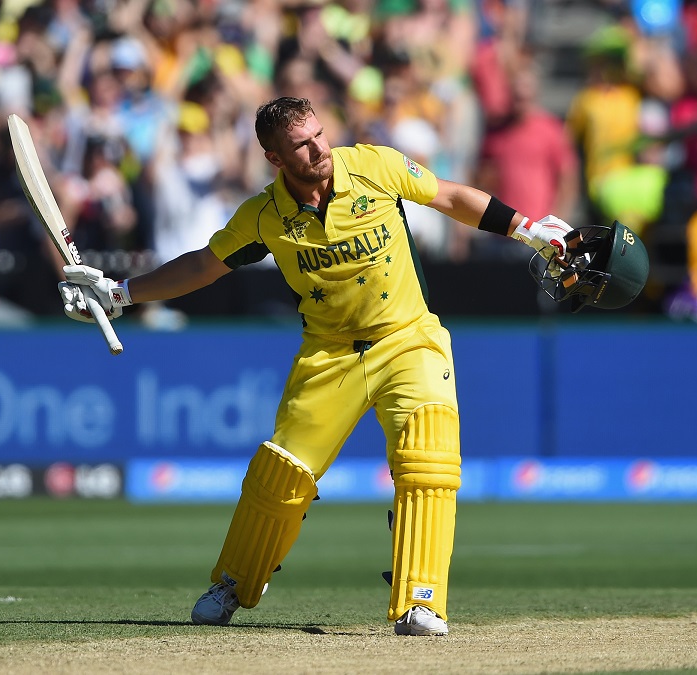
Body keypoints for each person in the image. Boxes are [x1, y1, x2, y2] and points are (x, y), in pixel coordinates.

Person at [57, 97, 575, 636]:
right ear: (274, 158)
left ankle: (422, 600)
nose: (319, 149)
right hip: (328, 354)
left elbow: (448, 195)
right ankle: (234, 582)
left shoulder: (374, 166)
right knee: (282, 474)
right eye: (302, 145)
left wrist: (527, 229)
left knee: (428, 457)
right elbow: (205, 266)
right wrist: (122, 293)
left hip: (409, 339)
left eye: (320, 135)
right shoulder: (264, 216)